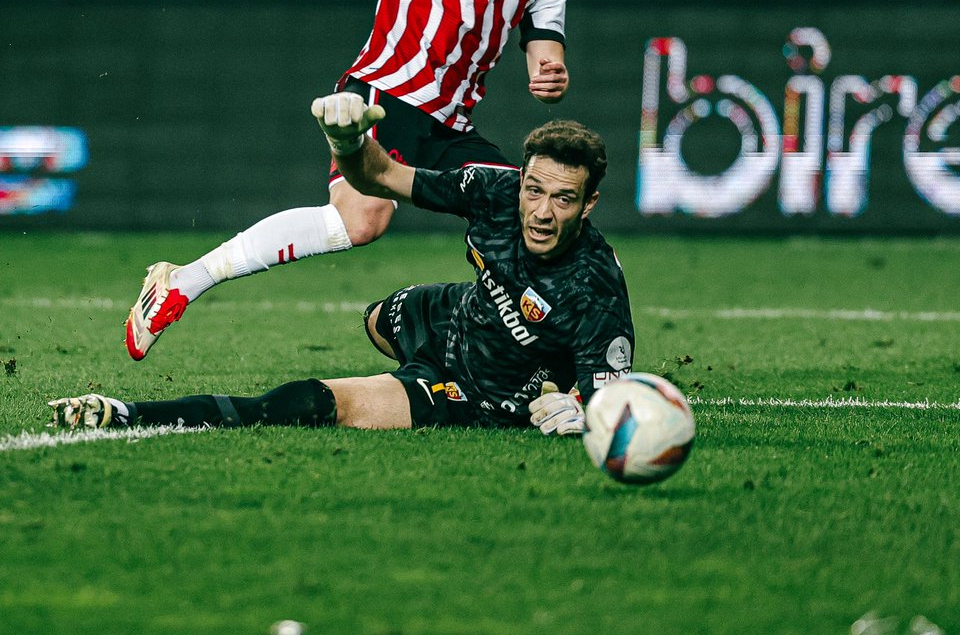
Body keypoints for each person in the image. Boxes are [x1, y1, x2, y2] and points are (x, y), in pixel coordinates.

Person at [123, 0, 572, 362]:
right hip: (383, 95)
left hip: (451, 124)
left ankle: (528, 362)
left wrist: (549, 71)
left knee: (531, 206)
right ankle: (184, 282)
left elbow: (544, 47)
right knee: (362, 220)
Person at [51, 98, 633, 435]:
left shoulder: (596, 284)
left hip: (481, 390)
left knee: (316, 403)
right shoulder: (494, 190)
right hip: (451, 315)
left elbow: (613, 402)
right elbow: (380, 178)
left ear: (589, 204)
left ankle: (126, 412)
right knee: (376, 319)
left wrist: (580, 408)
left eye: (563, 199)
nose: (541, 212)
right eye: (535, 191)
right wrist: (347, 142)